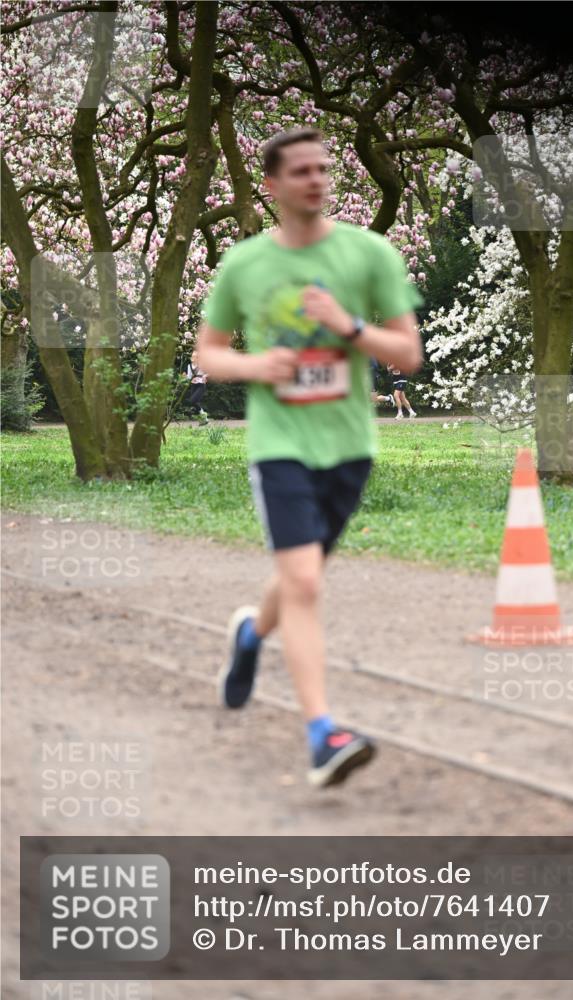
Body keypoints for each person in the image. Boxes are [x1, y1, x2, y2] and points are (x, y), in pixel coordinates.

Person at [195, 128, 422, 787]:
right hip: (280, 446)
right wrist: (256, 364)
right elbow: (208, 353)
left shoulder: (369, 254)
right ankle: (323, 735)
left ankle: (247, 637)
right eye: (300, 171)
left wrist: (349, 326)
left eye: (323, 169)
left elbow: (405, 355)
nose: (317, 180)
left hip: (349, 446)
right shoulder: (244, 265)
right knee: (304, 583)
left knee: (301, 575)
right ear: (271, 184)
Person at [186, 351, 209, 423]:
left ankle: (203, 415)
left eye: (195, 356)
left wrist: (205, 376)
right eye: (192, 356)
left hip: (201, 385)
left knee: (192, 401)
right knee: (194, 402)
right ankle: (204, 419)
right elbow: (189, 377)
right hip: (193, 385)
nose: (192, 357)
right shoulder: (189, 366)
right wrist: (186, 377)